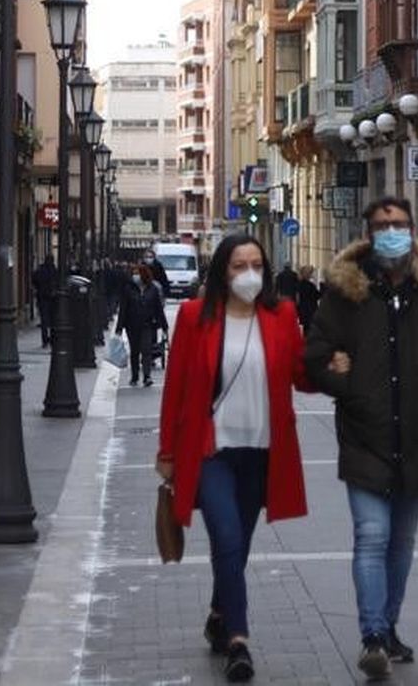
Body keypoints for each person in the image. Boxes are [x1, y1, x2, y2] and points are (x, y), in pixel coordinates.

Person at [304, 196, 418, 681]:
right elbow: (315, 354)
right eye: (383, 225)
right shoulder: (344, 294)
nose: (392, 232)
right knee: (372, 535)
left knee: (401, 541)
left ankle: (387, 627)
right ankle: (372, 636)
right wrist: (346, 384)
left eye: (400, 224)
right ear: (368, 233)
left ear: (412, 229)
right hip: (365, 435)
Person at [157, 234, 312, 683]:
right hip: (212, 451)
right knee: (226, 537)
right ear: (222, 271)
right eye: (239, 265)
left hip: (262, 451)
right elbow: (175, 387)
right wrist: (166, 451)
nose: (249, 274)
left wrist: (334, 366)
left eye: (256, 265)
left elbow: (300, 375)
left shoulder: (282, 315)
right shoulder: (194, 316)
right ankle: (238, 641)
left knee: (238, 545)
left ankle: (218, 614)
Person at [116, 264, 169, 388]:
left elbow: (158, 308)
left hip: (147, 324)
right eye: (134, 273)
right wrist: (119, 327)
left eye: (137, 273)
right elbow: (123, 309)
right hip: (131, 325)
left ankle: (147, 376)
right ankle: (135, 376)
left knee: (146, 350)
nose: (135, 276)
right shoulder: (128, 289)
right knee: (134, 351)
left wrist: (164, 326)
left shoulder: (153, 289)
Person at [32, 254, 59, 348]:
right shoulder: (54, 271)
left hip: (42, 298)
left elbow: (34, 280)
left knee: (44, 320)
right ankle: (52, 339)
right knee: (53, 321)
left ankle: (44, 341)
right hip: (52, 299)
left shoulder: (40, 270)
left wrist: (39, 288)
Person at [297, 264, 322, 334]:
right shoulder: (311, 286)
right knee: (310, 328)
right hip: (311, 309)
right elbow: (317, 295)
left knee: (306, 328)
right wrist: (322, 288)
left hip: (303, 309)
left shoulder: (299, 284)